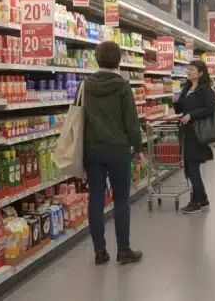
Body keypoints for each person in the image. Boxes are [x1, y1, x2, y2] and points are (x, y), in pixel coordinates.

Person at [82, 41, 143, 265]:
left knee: (96, 199)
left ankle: (100, 252)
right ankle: (123, 250)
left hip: (92, 149)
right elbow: (132, 122)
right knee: (121, 199)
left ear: (96, 59)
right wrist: (138, 148)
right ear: (118, 60)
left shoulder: (85, 85)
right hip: (118, 150)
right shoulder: (123, 86)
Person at [173, 60, 215, 214]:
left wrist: (192, 115)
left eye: (192, 69)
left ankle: (196, 201)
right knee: (190, 168)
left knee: (193, 167)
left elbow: (210, 108)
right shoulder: (186, 88)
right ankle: (203, 199)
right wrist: (176, 102)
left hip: (198, 133)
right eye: (188, 69)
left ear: (200, 73)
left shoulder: (205, 90)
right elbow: (179, 109)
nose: (189, 72)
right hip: (187, 133)